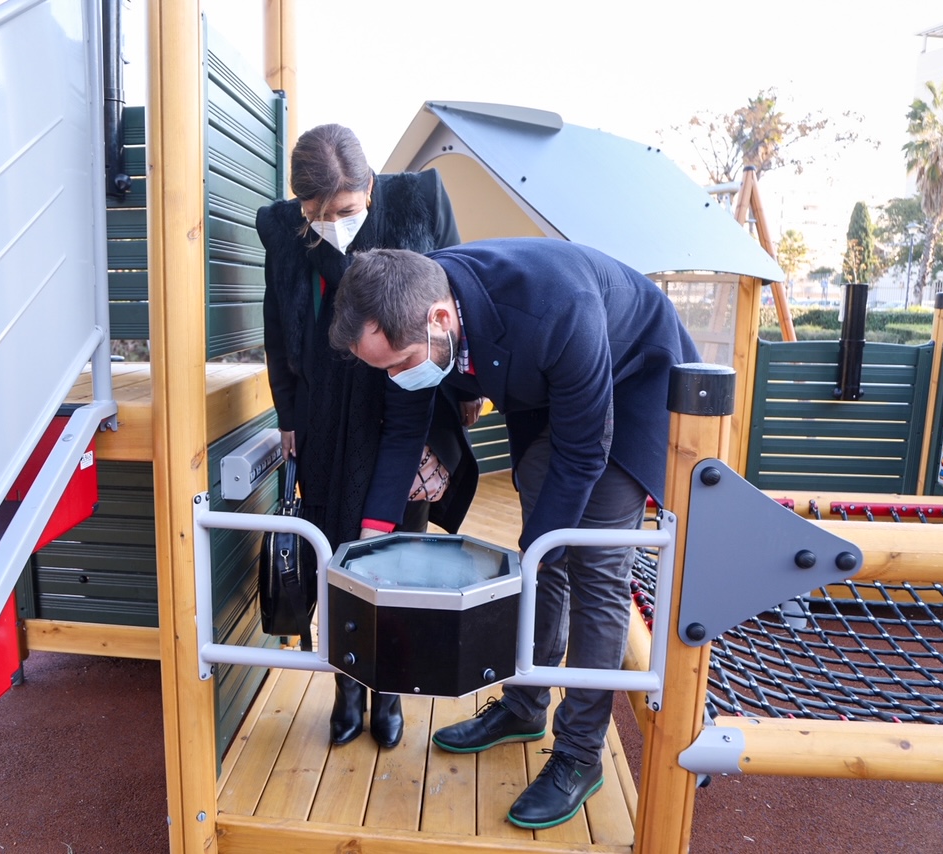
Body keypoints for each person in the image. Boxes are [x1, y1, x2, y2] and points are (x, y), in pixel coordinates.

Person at [328, 238, 700, 829]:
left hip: (630, 385)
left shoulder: (556, 306)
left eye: (399, 363)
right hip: (548, 394)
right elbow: (404, 436)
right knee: (541, 555)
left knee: (590, 570)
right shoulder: (417, 312)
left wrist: (538, 553)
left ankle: (579, 753)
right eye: (384, 370)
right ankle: (526, 704)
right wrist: (365, 544)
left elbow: (584, 451)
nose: (397, 377)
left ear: (441, 319)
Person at [257, 124, 480, 749]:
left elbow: (455, 306)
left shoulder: (418, 203)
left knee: (397, 558)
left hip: (407, 401)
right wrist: (288, 418)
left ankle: (391, 692)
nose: (332, 224)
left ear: (371, 189)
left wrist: (466, 396)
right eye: (318, 214)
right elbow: (279, 332)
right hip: (326, 413)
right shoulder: (282, 232)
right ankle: (346, 688)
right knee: (335, 554)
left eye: (346, 211)